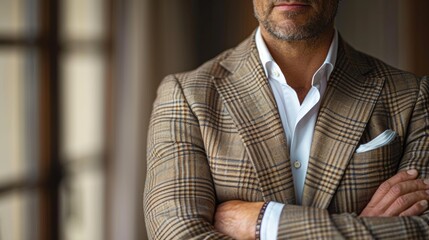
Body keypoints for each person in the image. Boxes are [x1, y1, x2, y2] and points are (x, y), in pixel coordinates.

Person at [144, 0, 429, 239]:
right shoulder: (187, 96)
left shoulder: (412, 96)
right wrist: (363, 227)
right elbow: (178, 233)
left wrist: (265, 221)